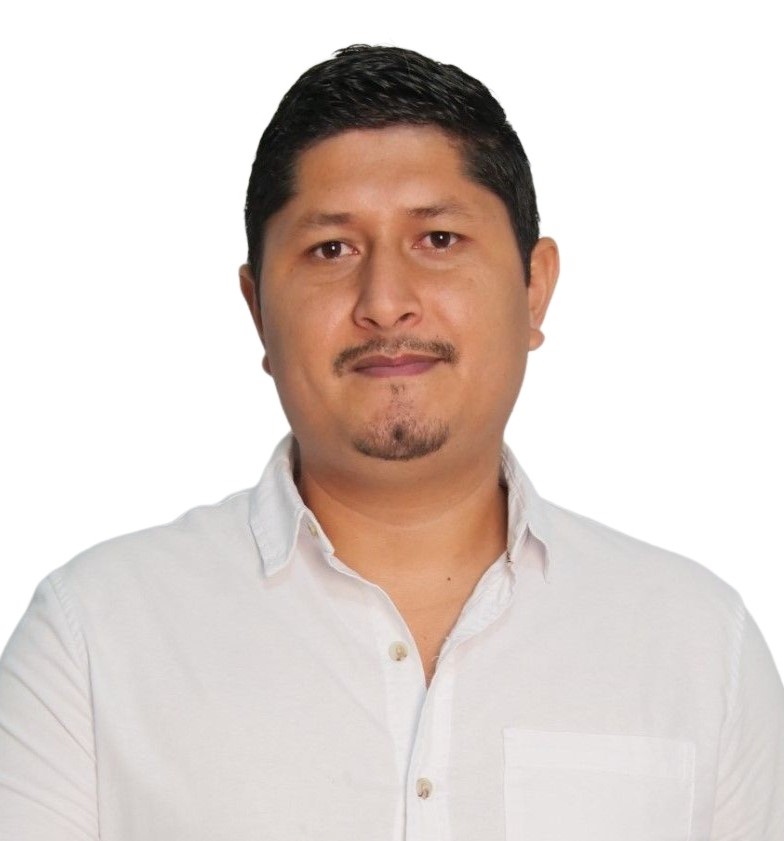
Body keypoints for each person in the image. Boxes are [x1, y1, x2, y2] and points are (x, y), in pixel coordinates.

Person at [1, 43, 782, 841]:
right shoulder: (93, 641)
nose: (384, 301)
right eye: (331, 249)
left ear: (534, 287)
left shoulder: (697, 646)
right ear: (257, 307)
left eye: (437, 239)